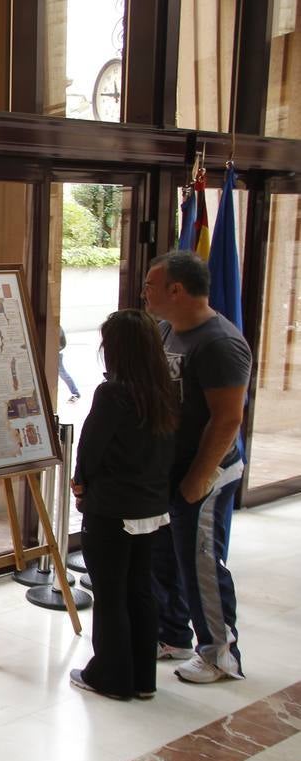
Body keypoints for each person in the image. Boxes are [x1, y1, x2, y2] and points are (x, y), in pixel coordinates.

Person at [141, 250, 252, 684]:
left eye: (151, 284)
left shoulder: (220, 343)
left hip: (205, 472)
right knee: (164, 555)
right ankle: (172, 635)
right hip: (172, 469)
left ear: (177, 289)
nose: (144, 292)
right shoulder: (168, 330)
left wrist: (197, 480)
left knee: (201, 562)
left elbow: (227, 419)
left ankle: (221, 654)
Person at [69, 310, 177, 700]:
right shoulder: (163, 389)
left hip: (112, 508)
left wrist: (80, 484)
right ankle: (143, 678)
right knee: (139, 589)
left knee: (111, 593)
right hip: (151, 507)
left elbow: (91, 447)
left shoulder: (113, 393)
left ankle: (111, 676)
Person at [57, 326, 81, 402]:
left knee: (62, 373)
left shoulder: (55, 327)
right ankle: (75, 393)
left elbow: (62, 343)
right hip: (54, 351)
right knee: (62, 373)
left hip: (55, 352)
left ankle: (75, 393)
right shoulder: (54, 326)